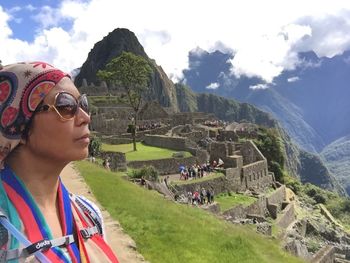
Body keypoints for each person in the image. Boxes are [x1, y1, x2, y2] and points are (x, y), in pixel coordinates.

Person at [0, 62, 119, 262]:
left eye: (83, 104)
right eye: (66, 106)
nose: (85, 117)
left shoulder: (89, 215)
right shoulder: (5, 230)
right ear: (18, 127)